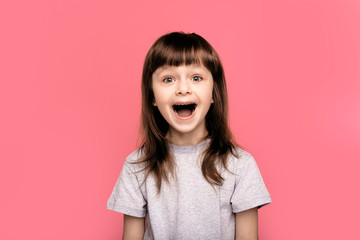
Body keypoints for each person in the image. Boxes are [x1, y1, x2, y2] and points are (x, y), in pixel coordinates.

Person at [107, 32, 271, 240]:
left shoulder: (240, 165)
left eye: (196, 78)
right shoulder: (136, 166)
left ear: (213, 93)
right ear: (152, 97)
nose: (183, 89)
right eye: (168, 79)